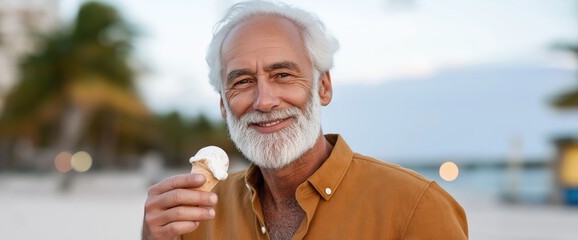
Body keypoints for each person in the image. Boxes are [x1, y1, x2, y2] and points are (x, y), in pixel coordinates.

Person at [142, 1, 468, 239]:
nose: (264, 101)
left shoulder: (416, 208)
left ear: (323, 87)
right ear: (224, 106)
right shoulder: (197, 216)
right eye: (241, 81)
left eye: (283, 75)